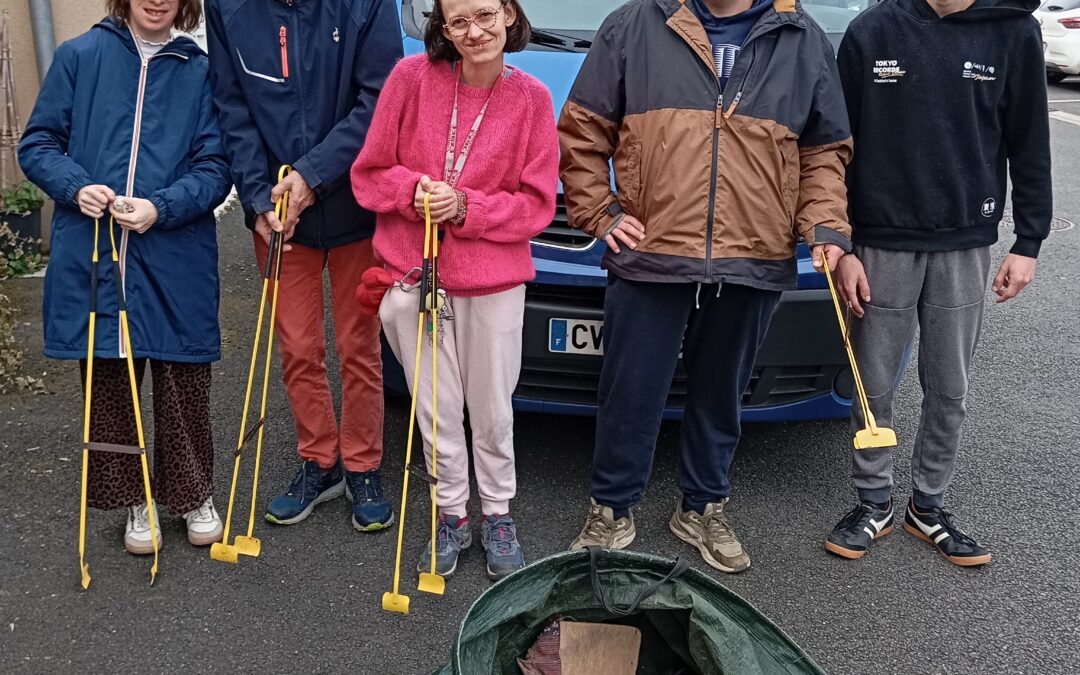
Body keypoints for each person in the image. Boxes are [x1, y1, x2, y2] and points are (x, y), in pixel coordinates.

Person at [559, 0, 853, 572]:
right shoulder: (634, 25)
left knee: (722, 394)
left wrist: (824, 225)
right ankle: (612, 509)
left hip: (753, 252)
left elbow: (823, 151)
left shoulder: (801, 37)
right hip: (652, 252)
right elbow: (583, 128)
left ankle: (702, 507)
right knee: (630, 391)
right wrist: (599, 212)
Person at [824, 0, 1051, 566]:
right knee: (874, 384)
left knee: (949, 386)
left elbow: (1029, 141)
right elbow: (834, 146)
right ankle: (872, 501)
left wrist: (1028, 241)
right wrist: (841, 241)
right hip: (880, 242)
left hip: (964, 242)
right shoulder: (872, 30)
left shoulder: (1013, 31)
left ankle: (928, 505)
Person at [351, 0, 558, 580]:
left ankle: (497, 512)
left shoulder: (533, 98)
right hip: (413, 275)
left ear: (509, 14)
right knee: (435, 408)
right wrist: (413, 190)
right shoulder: (409, 78)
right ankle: (451, 515)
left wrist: (467, 207)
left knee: (492, 409)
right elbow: (369, 173)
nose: (475, 31)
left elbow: (538, 204)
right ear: (442, 27)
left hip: (492, 281)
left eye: (486, 14)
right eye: (459, 20)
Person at [18, 0, 232, 553]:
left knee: (183, 377)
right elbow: (38, 143)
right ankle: (135, 498)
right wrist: (75, 186)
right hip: (96, 250)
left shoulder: (199, 70)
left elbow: (216, 166)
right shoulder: (79, 55)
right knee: (110, 379)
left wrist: (162, 206)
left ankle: (193, 495)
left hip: (175, 253)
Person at [205, 0, 402, 531]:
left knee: (359, 345)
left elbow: (379, 99)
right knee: (297, 346)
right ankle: (320, 461)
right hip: (278, 214)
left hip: (355, 206)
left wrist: (313, 176)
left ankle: (363, 465)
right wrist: (256, 200)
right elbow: (232, 106)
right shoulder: (228, 8)